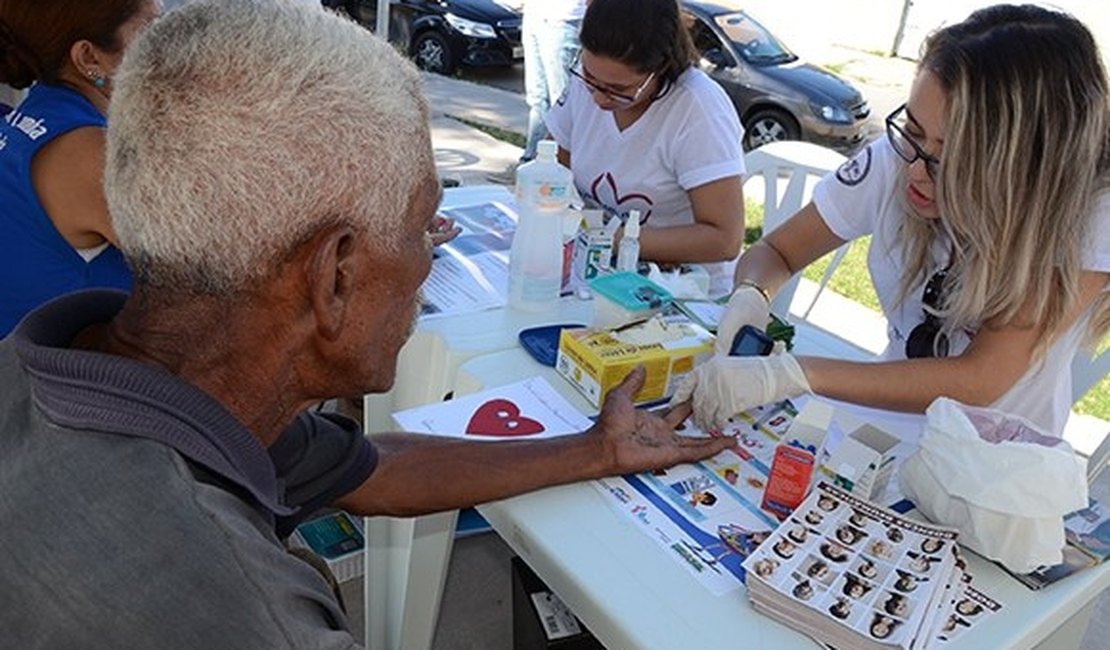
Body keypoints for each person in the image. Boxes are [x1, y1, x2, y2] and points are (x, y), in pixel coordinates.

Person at [0, 1, 738, 646]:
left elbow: (371, 467)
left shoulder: (164, 371)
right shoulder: (253, 615)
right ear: (336, 277)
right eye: (420, 228)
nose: (425, 263)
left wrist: (595, 449)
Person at [672, 4, 1109, 436]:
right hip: (876, 428)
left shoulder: (1089, 213)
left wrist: (790, 373)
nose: (916, 169)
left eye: (951, 158)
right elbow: (778, 251)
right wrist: (750, 296)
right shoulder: (896, 158)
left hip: (987, 469)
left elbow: (980, 377)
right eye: (915, 131)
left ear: (1022, 168)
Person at [544, 0, 746, 297]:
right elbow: (552, 167)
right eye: (589, 78)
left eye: (620, 90)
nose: (599, 98)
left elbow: (724, 240)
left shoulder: (698, 109)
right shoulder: (589, 83)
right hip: (594, 273)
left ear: (660, 68)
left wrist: (613, 239)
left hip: (680, 291)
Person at [0, 0, 162, 337]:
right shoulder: (94, 159)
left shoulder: (34, 116)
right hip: (42, 382)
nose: (169, 43)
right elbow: (219, 273)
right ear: (89, 58)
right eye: (151, 30)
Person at [490, 0, 585, 184]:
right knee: (537, 98)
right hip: (535, 17)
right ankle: (529, 163)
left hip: (563, 21)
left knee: (561, 103)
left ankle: (559, 172)